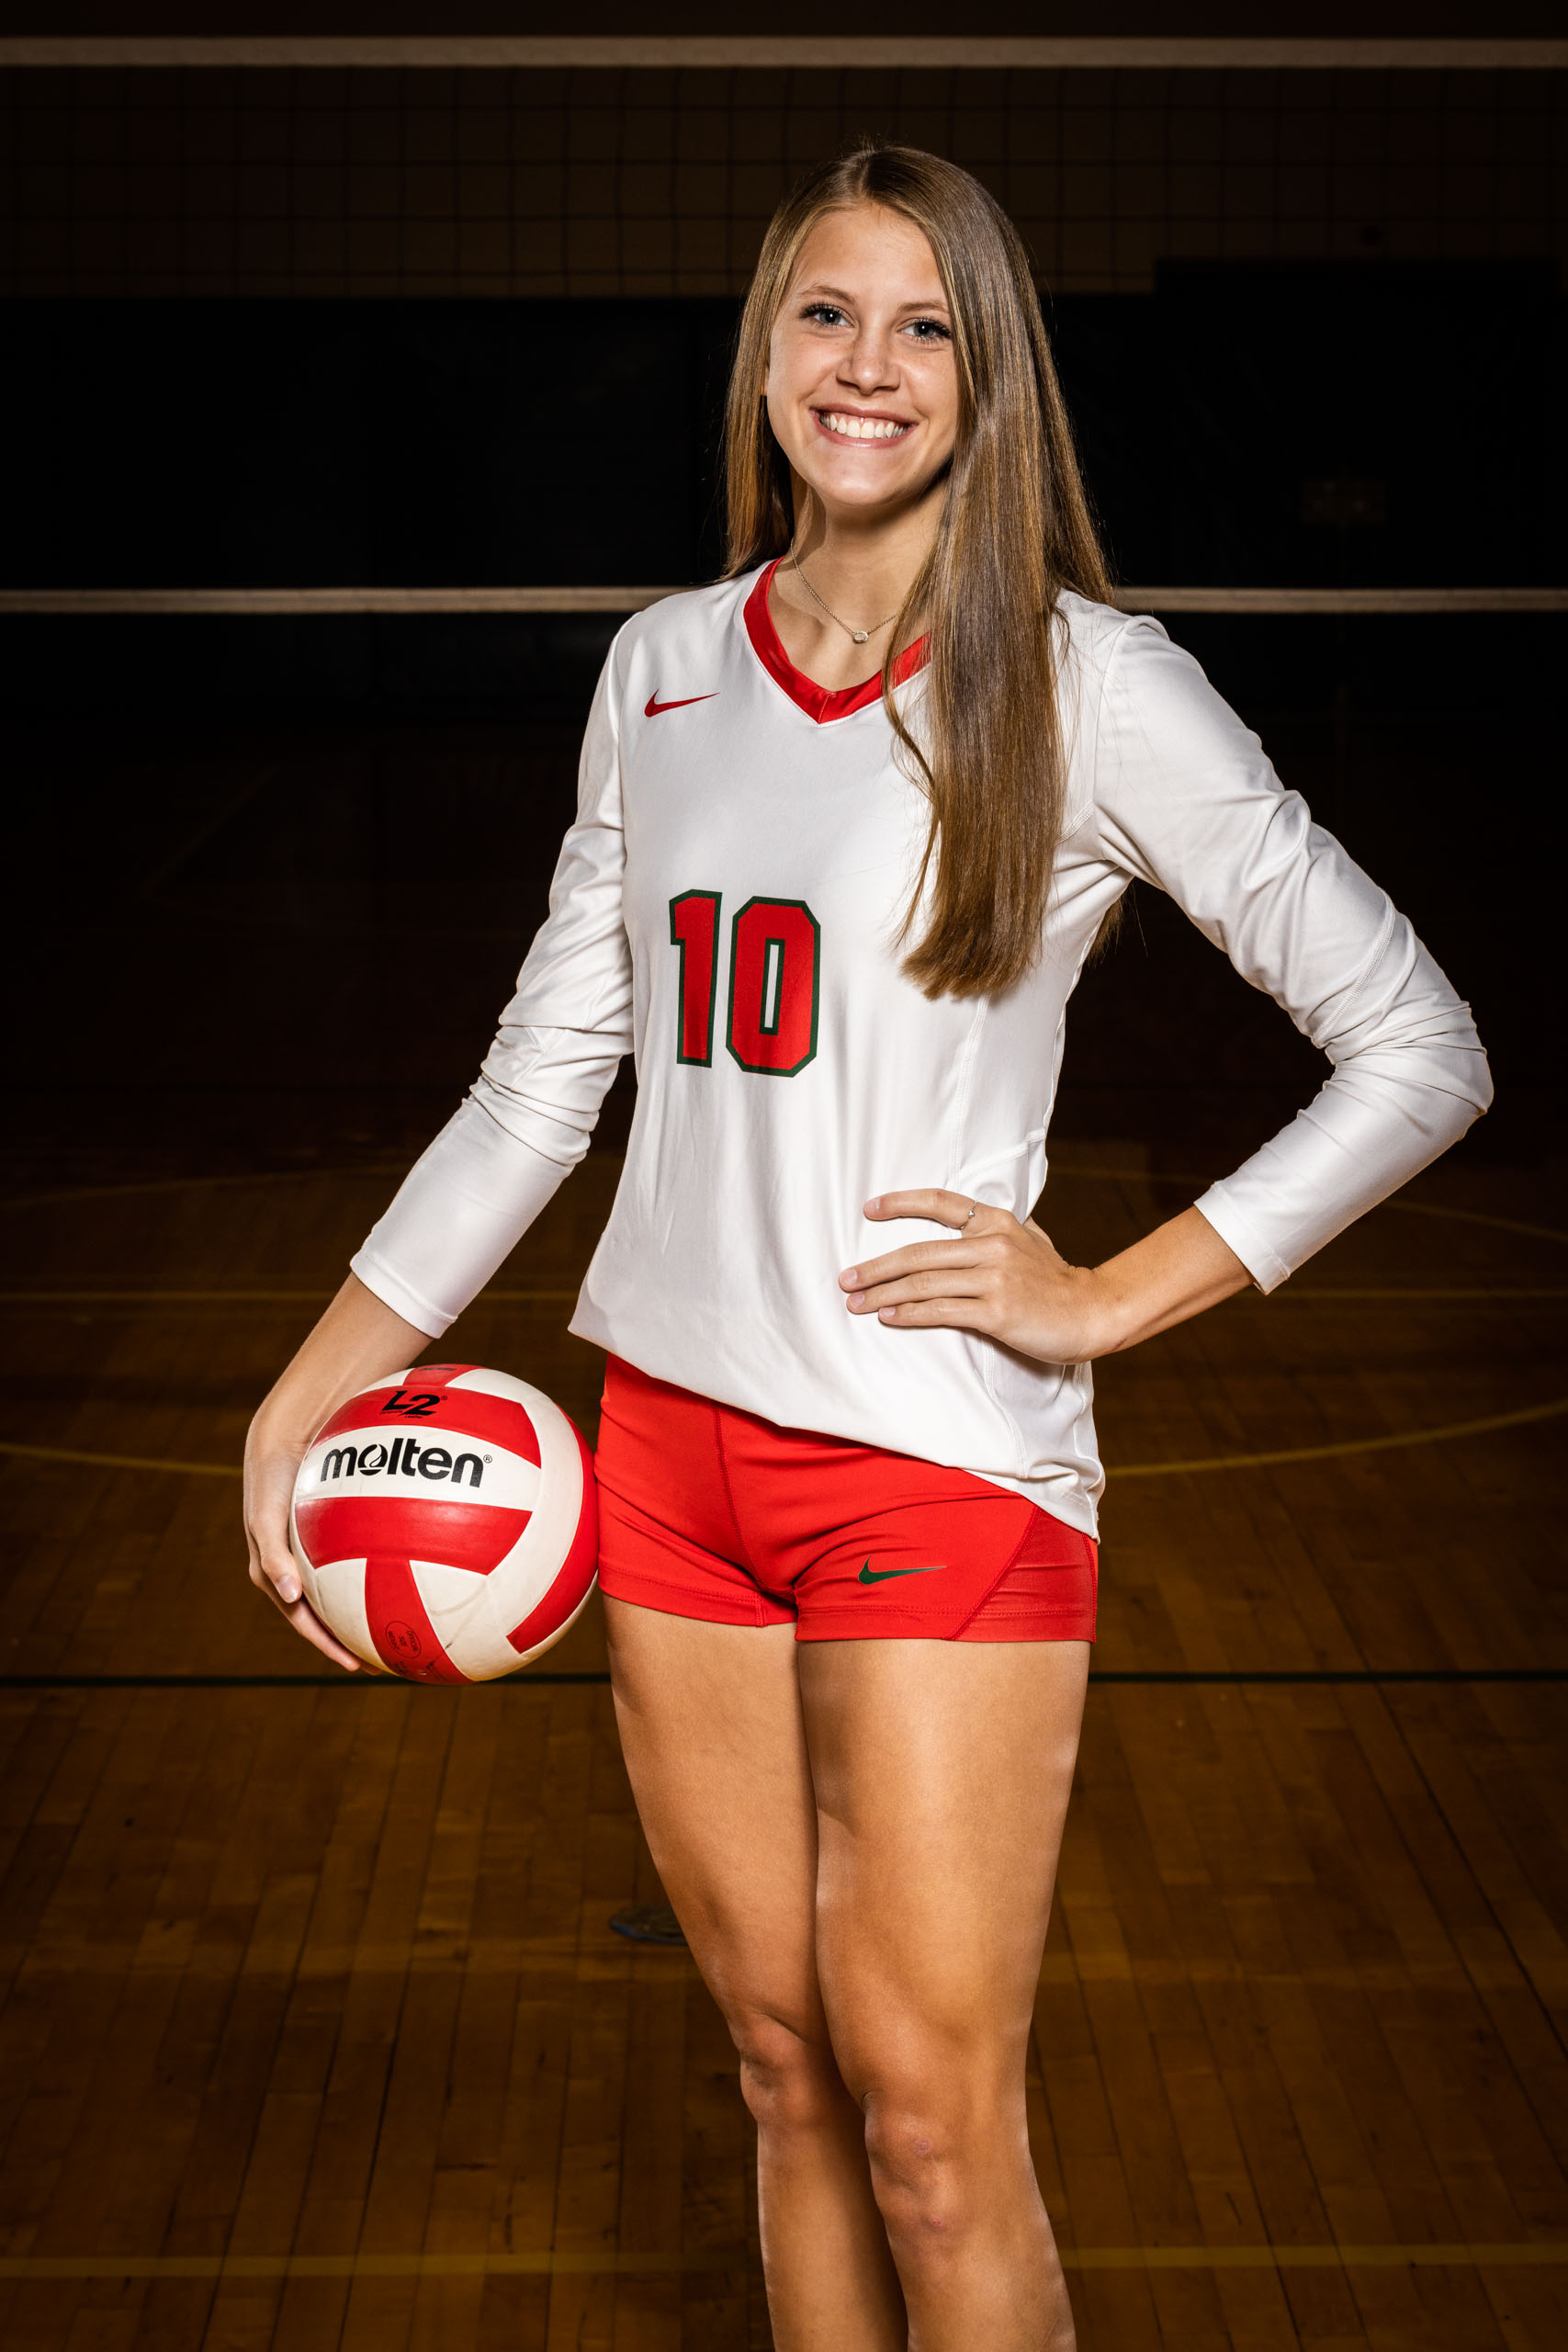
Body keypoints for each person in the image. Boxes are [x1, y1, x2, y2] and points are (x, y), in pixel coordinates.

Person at [243, 146, 1491, 2350]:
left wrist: (1108, 1291)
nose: (869, 365)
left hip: (934, 1467)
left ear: (990, 378)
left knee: (929, 2116)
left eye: (927, 326)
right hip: (665, 1464)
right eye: (827, 313)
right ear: (760, 347)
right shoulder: (654, 671)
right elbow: (543, 1082)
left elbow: (1416, 1042)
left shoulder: (1093, 686)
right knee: (783, 2072)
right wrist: (318, 1371)